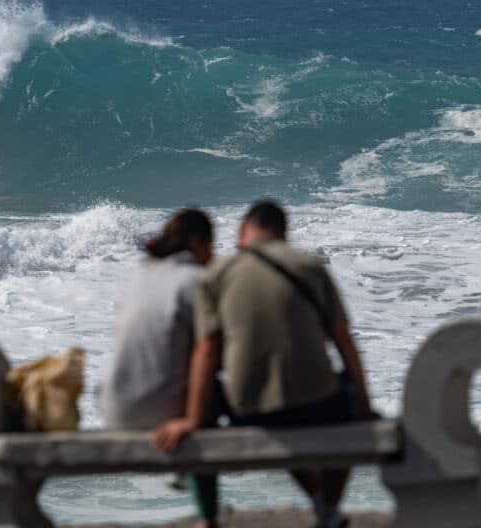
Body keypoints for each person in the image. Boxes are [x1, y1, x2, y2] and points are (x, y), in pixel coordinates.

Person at [153, 200, 375, 528]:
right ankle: (327, 509)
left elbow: (206, 351)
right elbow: (343, 339)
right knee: (339, 406)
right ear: (283, 233)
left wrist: (193, 419)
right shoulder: (309, 266)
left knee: (276, 401)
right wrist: (365, 405)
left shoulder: (219, 273)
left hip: (250, 410)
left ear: (242, 231)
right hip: (317, 405)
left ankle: (316, 505)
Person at [102, 208, 219, 528]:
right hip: (160, 413)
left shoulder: (141, 275)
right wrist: (192, 419)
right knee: (216, 392)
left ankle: (182, 474)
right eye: (211, 247)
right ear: (197, 243)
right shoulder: (196, 280)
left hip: (114, 410)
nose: (212, 256)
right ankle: (208, 517)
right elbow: (207, 350)